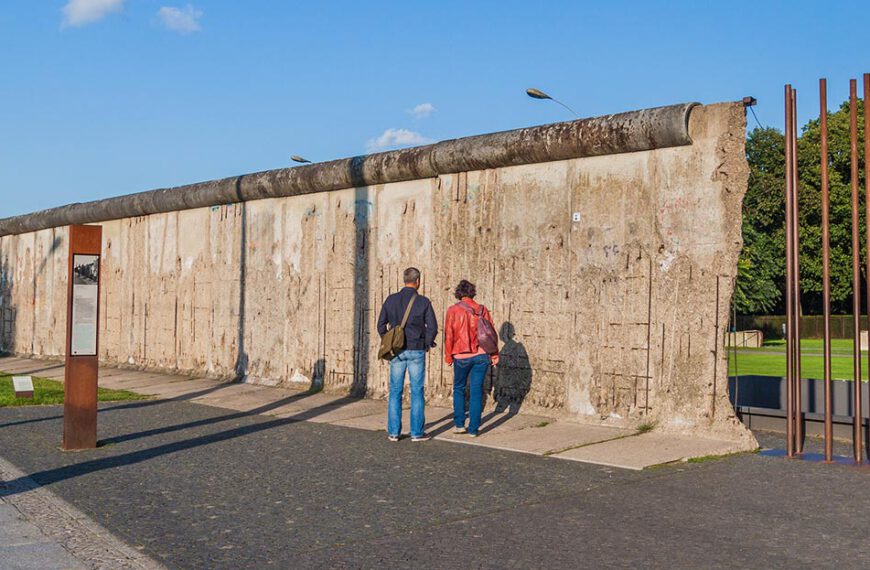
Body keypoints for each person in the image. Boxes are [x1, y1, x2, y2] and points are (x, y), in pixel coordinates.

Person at [376, 267, 438, 442]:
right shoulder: (423, 302)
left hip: (397, 351)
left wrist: (389, 340)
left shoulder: (391, 300)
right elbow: (432, 327)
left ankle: (394, 432)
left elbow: (381, 325)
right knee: (417, 391)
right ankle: (417, 433)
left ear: (404, 280)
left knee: (395, 391)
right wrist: (426, 343)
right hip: (416, 349)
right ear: (418, 281)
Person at [444, 279, 499, 437]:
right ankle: (474, 429)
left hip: (461, 356)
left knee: (459, 388)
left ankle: (460, 424)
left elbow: (449, 335)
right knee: (476, 391)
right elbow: (491, 334)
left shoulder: (453, 310)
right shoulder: (482, 310)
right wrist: (494, 354)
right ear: (472, 292)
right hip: (481, 355)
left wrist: (448, 356)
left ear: (459, 293)